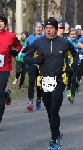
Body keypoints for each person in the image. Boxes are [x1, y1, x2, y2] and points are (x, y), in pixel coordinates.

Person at [24, 17, 78, 150]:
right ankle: (57, 133)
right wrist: (36, 60)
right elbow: (26, 57)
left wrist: (72, 67)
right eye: (46, 28)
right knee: (49, 110)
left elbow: (75, 55)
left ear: (56, 29)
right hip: (44, 80)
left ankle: (54, 139)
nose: (48, 30)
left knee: (54, 108)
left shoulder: (64, 43)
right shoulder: (38, 43)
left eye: (51, 28)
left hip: (59, 80)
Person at [0, 13, 22, 131]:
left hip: (5, 67)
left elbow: (19, 46)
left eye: (1, 21)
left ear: (5, 24)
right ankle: (6, 94)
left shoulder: (11, 36)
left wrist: (16, 52)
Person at [25, 22, 44, 111]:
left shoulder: (45, 38)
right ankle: (30, 101)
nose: (39, 28)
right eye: (37, 27)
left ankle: (39, 99)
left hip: (41, 64)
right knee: (31, 82)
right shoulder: (30, 38)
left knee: (39, 83)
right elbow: (26, 49)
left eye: (40, 27)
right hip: (32, 63)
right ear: (34, 28)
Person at [66, 28, 80, 103]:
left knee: (73, 79)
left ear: (76, 35)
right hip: (68, 63)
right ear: (69, 35)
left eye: (74, 34)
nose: (73, 35)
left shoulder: (78, 42)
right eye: (71, 34)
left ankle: (72, 95)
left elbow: (80, 50)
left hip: (76, 63)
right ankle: (68, 90)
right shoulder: (67, 42)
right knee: (69, 78)